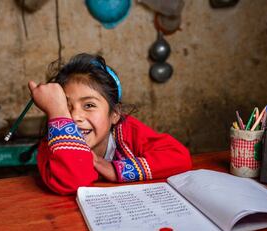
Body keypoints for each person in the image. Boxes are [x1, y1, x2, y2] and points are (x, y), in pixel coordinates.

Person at [28, 53, 192, 195]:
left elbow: (180, 157)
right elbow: (74, 181)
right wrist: (57, 113)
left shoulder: (127, 130)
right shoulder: (52, 144)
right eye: (65, 106)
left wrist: (113, 169)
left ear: (114, 114)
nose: (75, 116)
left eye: (89, 105)